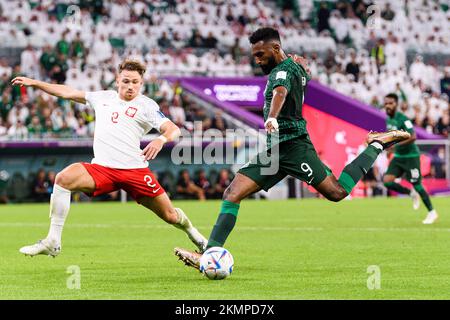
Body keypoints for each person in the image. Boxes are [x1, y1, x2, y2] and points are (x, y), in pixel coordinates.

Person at [174, 27, 410, 269]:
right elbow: (298, 68)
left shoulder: (282, 71)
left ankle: (376, 144)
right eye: (255, 55)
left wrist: (272, 117)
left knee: (337, 193)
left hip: (295, 146)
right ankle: (211, 253)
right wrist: (300, 62)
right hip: (275, 151)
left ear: (275, 48)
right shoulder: (294, 64)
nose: (257, 60)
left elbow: (280, 92)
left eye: (260, 54)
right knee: (232, 194)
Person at [12, 59, 207, 257]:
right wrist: (36, 83)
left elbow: (173, 129)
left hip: (135, 171)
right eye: (126, 81)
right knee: (63, 179)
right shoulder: (103, 98)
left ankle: (197, 237)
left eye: (134, 82)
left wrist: (161, 140)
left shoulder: (147, 106)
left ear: (141, 84)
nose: (130, 86)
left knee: (170, 216)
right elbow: (68, 92)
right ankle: (53, 241)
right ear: (117, 81)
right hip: (103, 169)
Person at [382, 93, 438, 224]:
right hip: (398, 157)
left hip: (411, 157)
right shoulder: (388, 120)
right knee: (387, 181)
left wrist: (395, 147)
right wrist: (389, 149)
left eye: (390, 103)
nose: (387, 106)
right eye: (386, 103)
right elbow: (391, 137)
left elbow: (412, 137)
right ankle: (410, 193)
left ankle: (432, 212)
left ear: (396, 104)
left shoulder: (403, 118)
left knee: (417, 184)